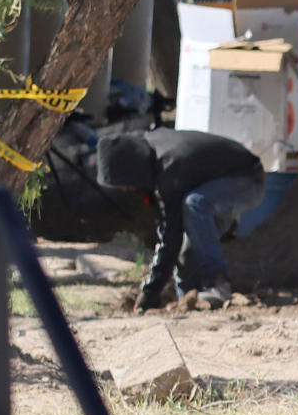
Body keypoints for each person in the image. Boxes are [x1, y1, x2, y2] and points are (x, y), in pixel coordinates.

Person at [95, 129, 265, 312]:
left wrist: (150, 292)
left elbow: (170, 235)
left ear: (131, 170)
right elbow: (173, 235)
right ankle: (186, 300)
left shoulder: (169, 166)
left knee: (194, 205)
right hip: (217, 187)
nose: (127, 190)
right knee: (187, 250)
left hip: (248, 180)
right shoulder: (153, 149)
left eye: (125, 185)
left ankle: (217, 285)